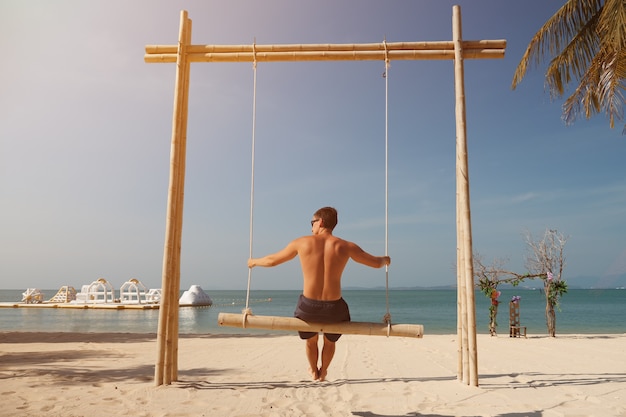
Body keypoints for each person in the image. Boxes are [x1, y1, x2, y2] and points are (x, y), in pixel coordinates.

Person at [247, 206, 391, 381]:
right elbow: (376, 263)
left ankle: (314, 370)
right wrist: (386, 260)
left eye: (312, 222)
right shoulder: (346, 246)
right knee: (330, 342)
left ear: (321, 222)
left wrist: (253, 262)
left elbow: (272, 261)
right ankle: (324, 371)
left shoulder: (302, 242)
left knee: (311, 340)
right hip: (334, 308)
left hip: (309, 307)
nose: (311, 227)